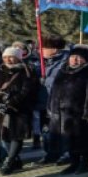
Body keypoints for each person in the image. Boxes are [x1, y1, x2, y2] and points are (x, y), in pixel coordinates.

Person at [47, 44, 88, 175]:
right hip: (62, 114)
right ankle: (73, 163)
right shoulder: (62, 71)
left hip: (81, 113)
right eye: (73, 57)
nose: (75, 60)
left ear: (85, 59)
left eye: (79, 58)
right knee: (68, 140)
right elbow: (53, 91)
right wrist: (51, 107)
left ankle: (85, 163)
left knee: (83, 139)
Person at [0, 47, 40, 175]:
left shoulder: (26, 71)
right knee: (3, 138)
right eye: (5, 57)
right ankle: (15, 160)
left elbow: (27, 91)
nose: (7, 59)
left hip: (18, 110)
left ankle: (9, 161)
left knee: (16, 136)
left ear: (18, 58)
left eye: (11, 56)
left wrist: (11, 103)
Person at [37, 34, 69, 165]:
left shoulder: (65, 62)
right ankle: (50, 152)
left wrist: (47, 81)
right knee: (46, 129)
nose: (40, 50)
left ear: (54, 49)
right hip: (44, 101)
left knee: (61, 129)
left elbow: (64, 80)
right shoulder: (42, 62)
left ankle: (66, 153)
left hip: (58, 101)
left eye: (43, 48)